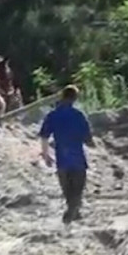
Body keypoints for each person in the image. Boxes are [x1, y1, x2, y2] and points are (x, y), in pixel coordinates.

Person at [39, 85, 95, 224]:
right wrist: (93, 142)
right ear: (75, 98)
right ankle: (72, 213)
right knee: (77, 191)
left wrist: (46, 155)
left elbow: (44, 136)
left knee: (68, 192)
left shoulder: (52, 115)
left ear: (62, 97)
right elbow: (88, 140)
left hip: (62, 160)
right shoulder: (79, 115)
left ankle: (73, 213)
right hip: (78, 160)